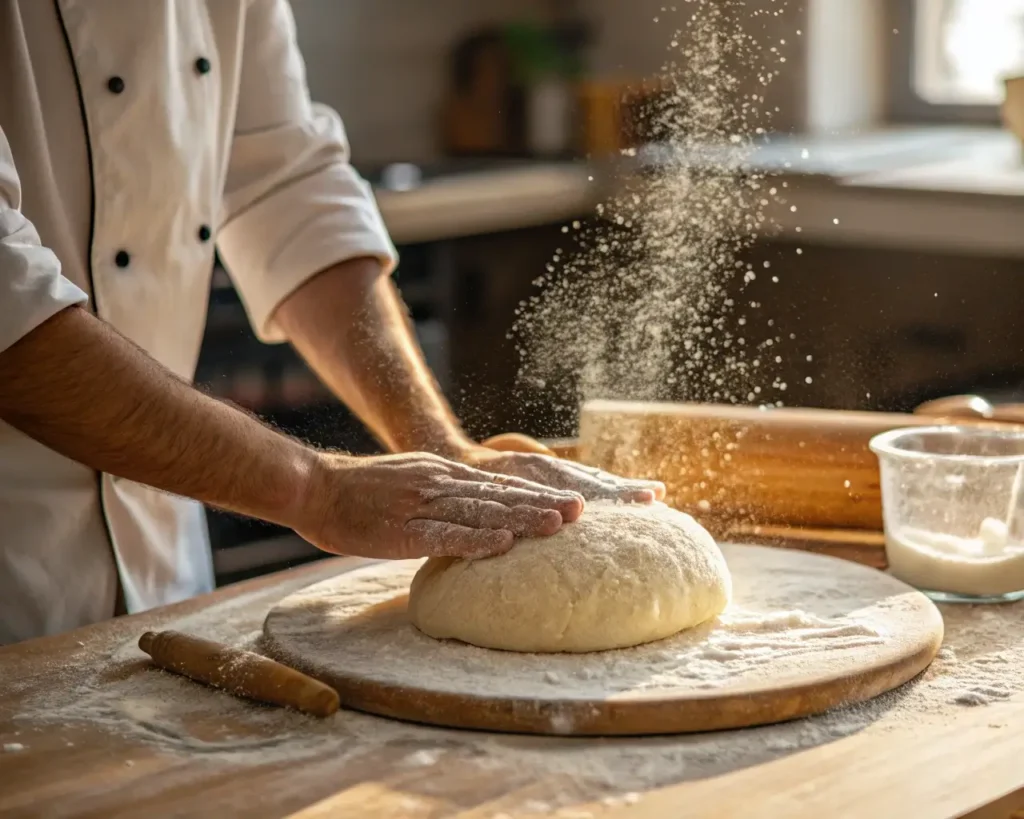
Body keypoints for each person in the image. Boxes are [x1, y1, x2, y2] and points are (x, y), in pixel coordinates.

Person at [0, 1, 664, 644]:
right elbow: (11, 308)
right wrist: (317, 491)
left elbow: (286, 187)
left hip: (163, 573)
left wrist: (438, 443)